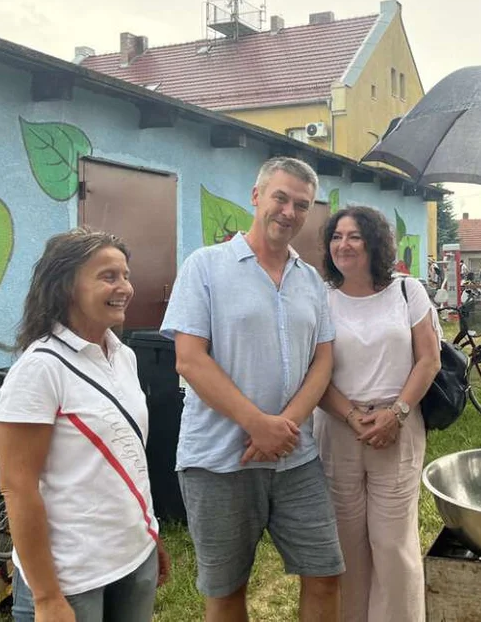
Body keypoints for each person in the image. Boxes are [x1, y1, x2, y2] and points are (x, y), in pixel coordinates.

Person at [161, 157, 343, 621]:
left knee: (325, 573)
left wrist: (285, 427)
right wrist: (256, 424)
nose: (289, 212)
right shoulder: (205, 266)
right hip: (220, 459)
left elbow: (322, 360)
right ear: (256, 196)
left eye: (301, 205)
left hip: (295, 456)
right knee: (227, 589)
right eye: (280, 198)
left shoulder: (312, 282)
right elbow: (190, 359)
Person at [0, 228, 170, 621]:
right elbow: (17, 486)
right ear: (66, 286)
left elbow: (128, 458)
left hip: (133, 556)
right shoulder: (40, 369)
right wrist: (45, 597)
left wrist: (149, 535)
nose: (124, 287)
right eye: (108, 276)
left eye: (125, 275)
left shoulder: (122, 355)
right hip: (72, 576)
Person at [313, 206, 441, 622]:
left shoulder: (407, 291)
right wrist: (352, 416)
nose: (343, 245)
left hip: (397, 427)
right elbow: (312, 372)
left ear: (374, 242)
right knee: (346, 543)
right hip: (337, 429)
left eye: (354, 236)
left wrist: (397, 413)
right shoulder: (319, 297)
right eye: (336, 236)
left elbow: (429, 359)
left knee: (392, 543)